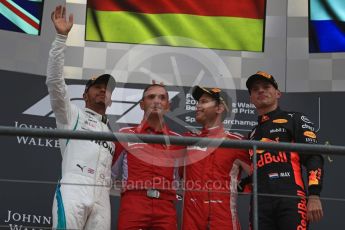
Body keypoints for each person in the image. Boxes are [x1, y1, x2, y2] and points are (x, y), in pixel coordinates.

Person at [47, 5, 116, 230]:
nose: (103, 91)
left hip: (102, 198)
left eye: (107, 88)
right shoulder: (71, 114)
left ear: (111, 100)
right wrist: (60, 38)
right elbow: (55, 83)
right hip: (74, 188)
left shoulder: (111, 132)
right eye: (97, 87)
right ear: (85, 94)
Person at [245, 71, 324, 229]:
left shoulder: (294, 119)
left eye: (266, 87)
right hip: (259, 204)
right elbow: (257, 170)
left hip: (291, 198)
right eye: (255, 89)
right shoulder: (252, 133)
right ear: (251, 98)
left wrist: (314, 195)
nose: (261, 91)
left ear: (278, 93)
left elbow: (313, 156)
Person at [112, 83, 184, 230]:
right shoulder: (124, 135)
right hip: (133, 204)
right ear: (142, 104)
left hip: (166, 208)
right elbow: (109, 174)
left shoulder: (179, 141)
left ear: (168, 106)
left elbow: (180, 179)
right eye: (151, 97)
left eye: (162, 98)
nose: (157, 101)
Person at [182, 86, 251, 230]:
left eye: (204, 102)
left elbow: (258, 175)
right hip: (191, 221)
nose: (198, 106)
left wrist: (240, 186)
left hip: (223, 220)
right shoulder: (186, 140)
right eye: (198, 102)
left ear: (219, 108)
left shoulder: (236, 143)